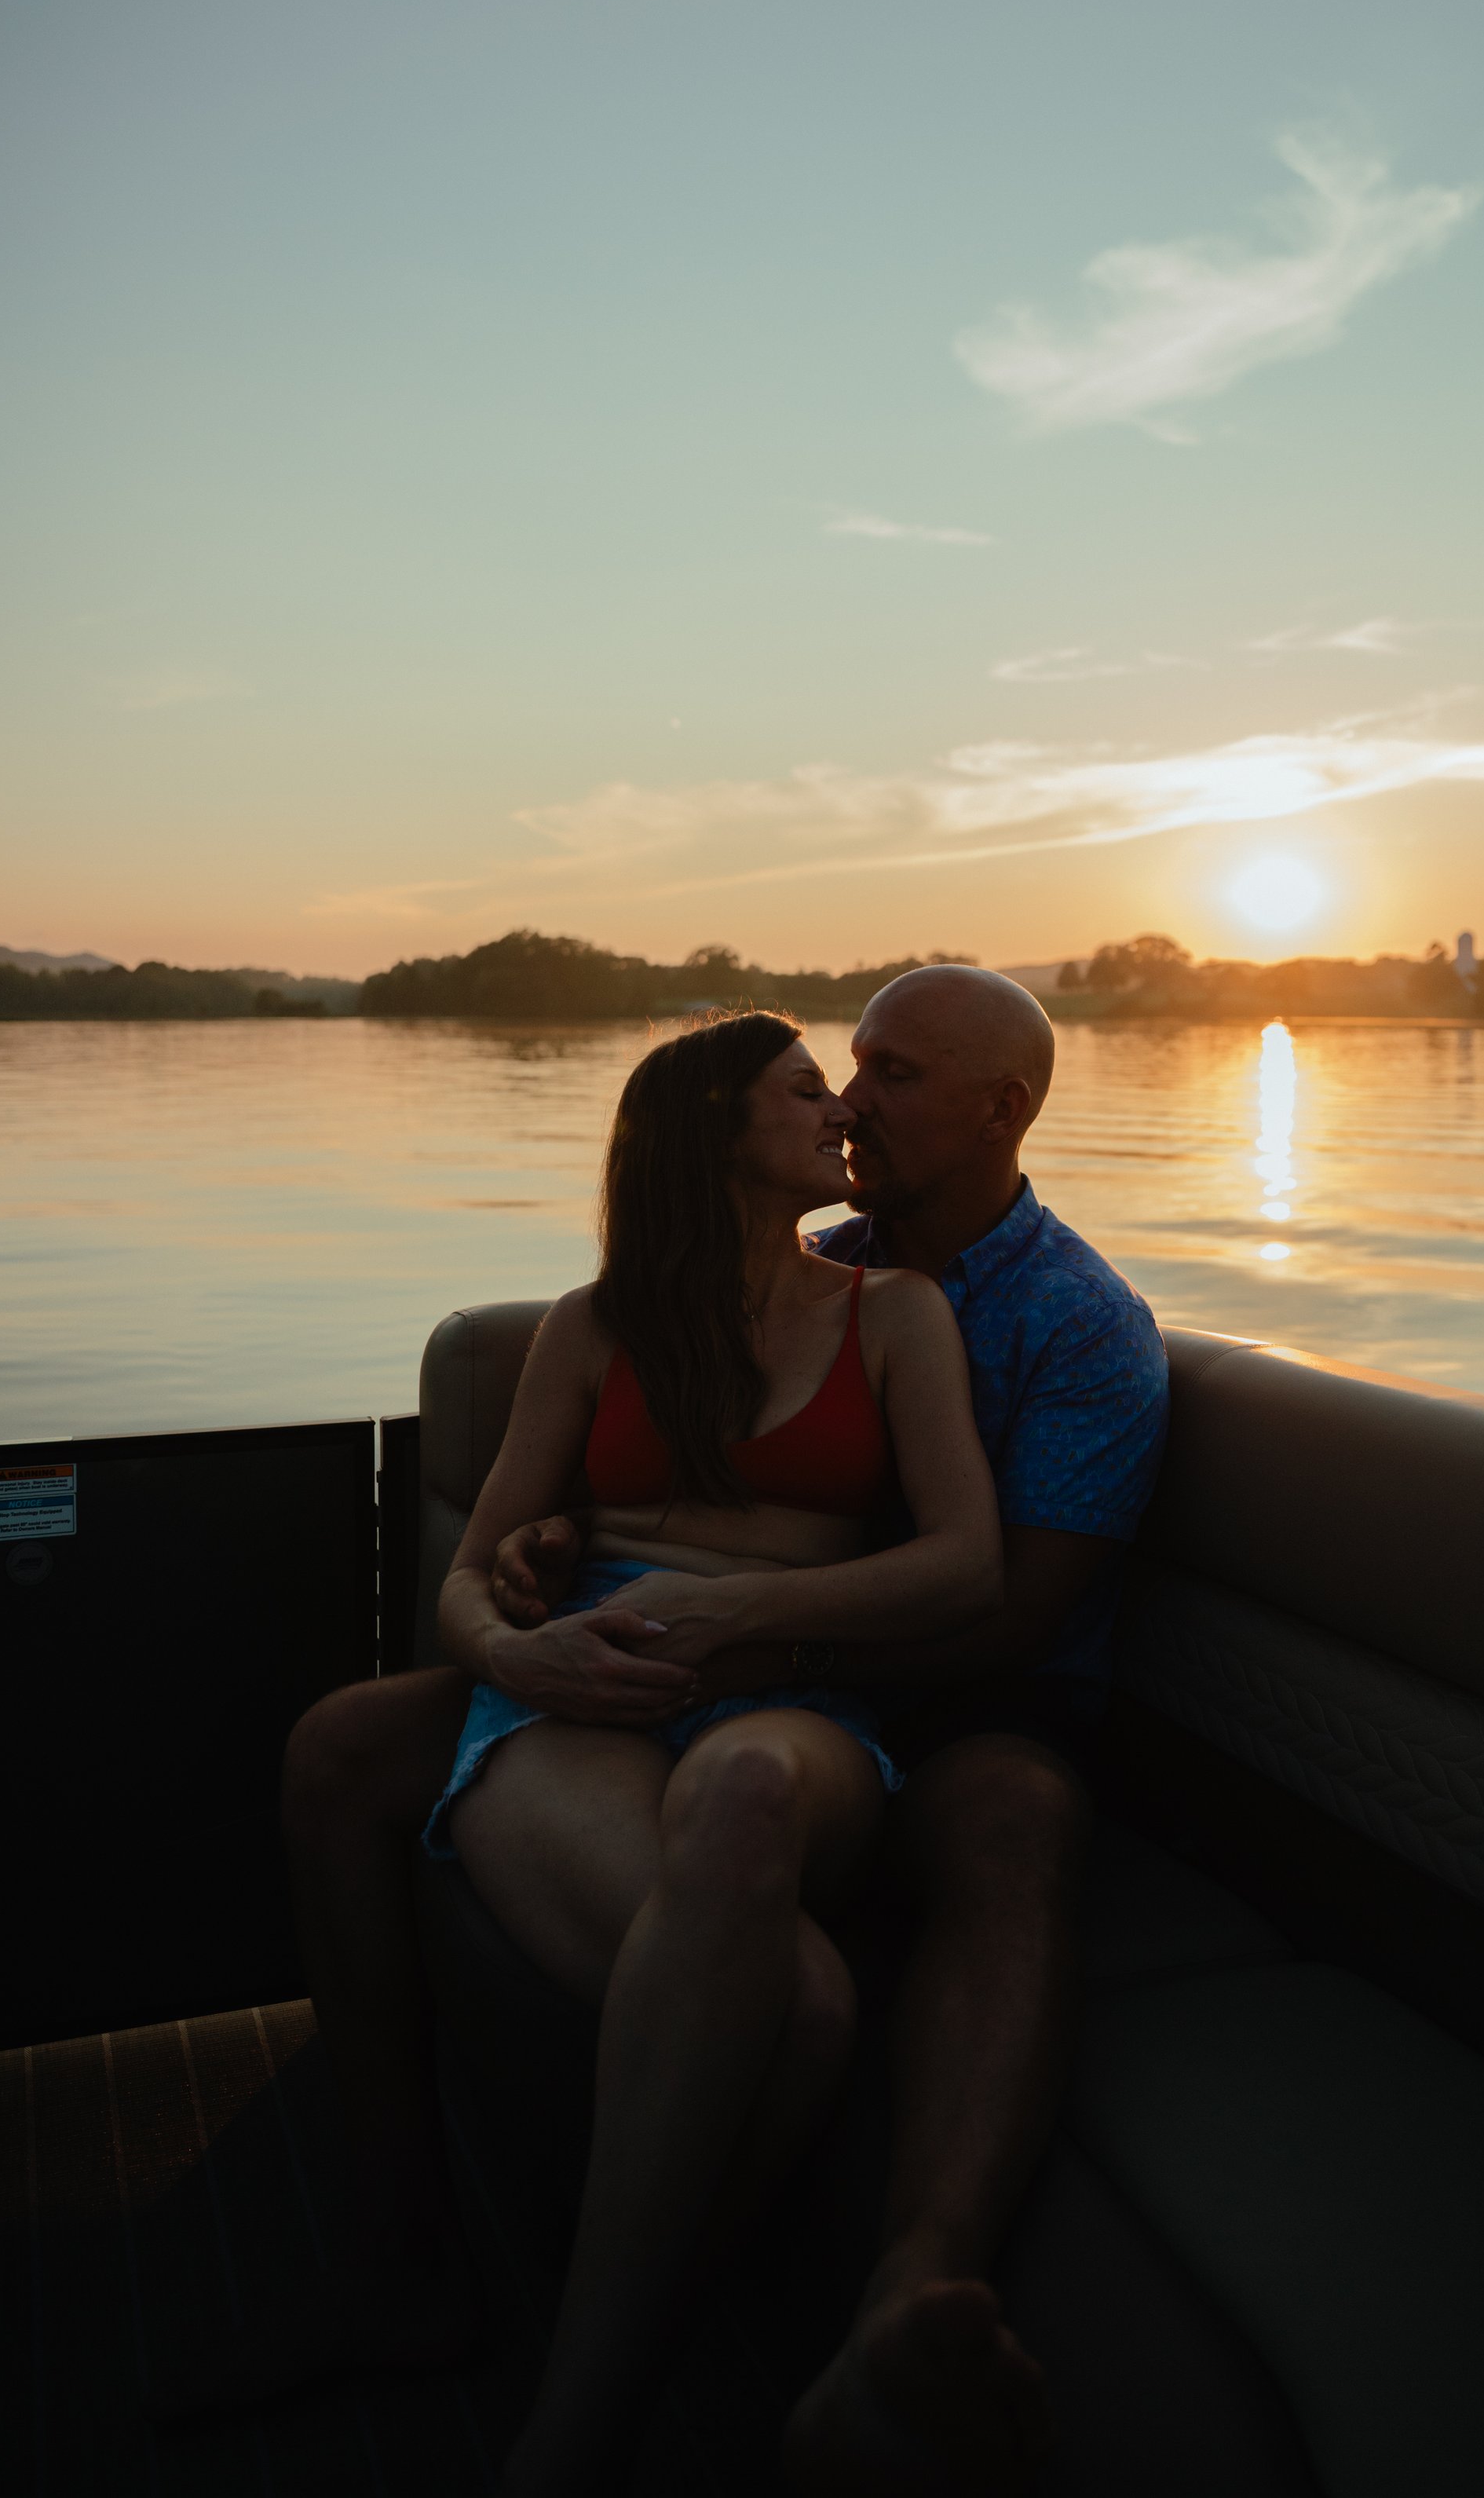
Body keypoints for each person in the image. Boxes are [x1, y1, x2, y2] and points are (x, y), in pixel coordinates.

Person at [262, 964, 1168, 2495]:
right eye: (834, 1075)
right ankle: (409, 2238)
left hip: (946, 1707)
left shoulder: (1071, 1328)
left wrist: (732, 1632)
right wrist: (557, 1592)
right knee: (344, 1745)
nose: (850, 1102)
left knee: (1016, 1815)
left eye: (884, 1075)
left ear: (1000, 1108)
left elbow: (999, 1611)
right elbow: (654, 1486)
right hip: (680, 1677)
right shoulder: (794, 1265)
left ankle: (912, 2287)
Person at [427, 1005, 1003, 2496]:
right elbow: (469, 1572)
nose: (843, 1112)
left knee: (746, 1792)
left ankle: (567, 2425)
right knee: (801, 2007)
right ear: (713, 1133)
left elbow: (962, 1566)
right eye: (806, 1090)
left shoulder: (895, 1315)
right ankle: (658, 2356)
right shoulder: (594, 1324)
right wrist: (515, 1650)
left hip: (782, 1685)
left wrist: (742, 1613)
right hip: (580, 1688)